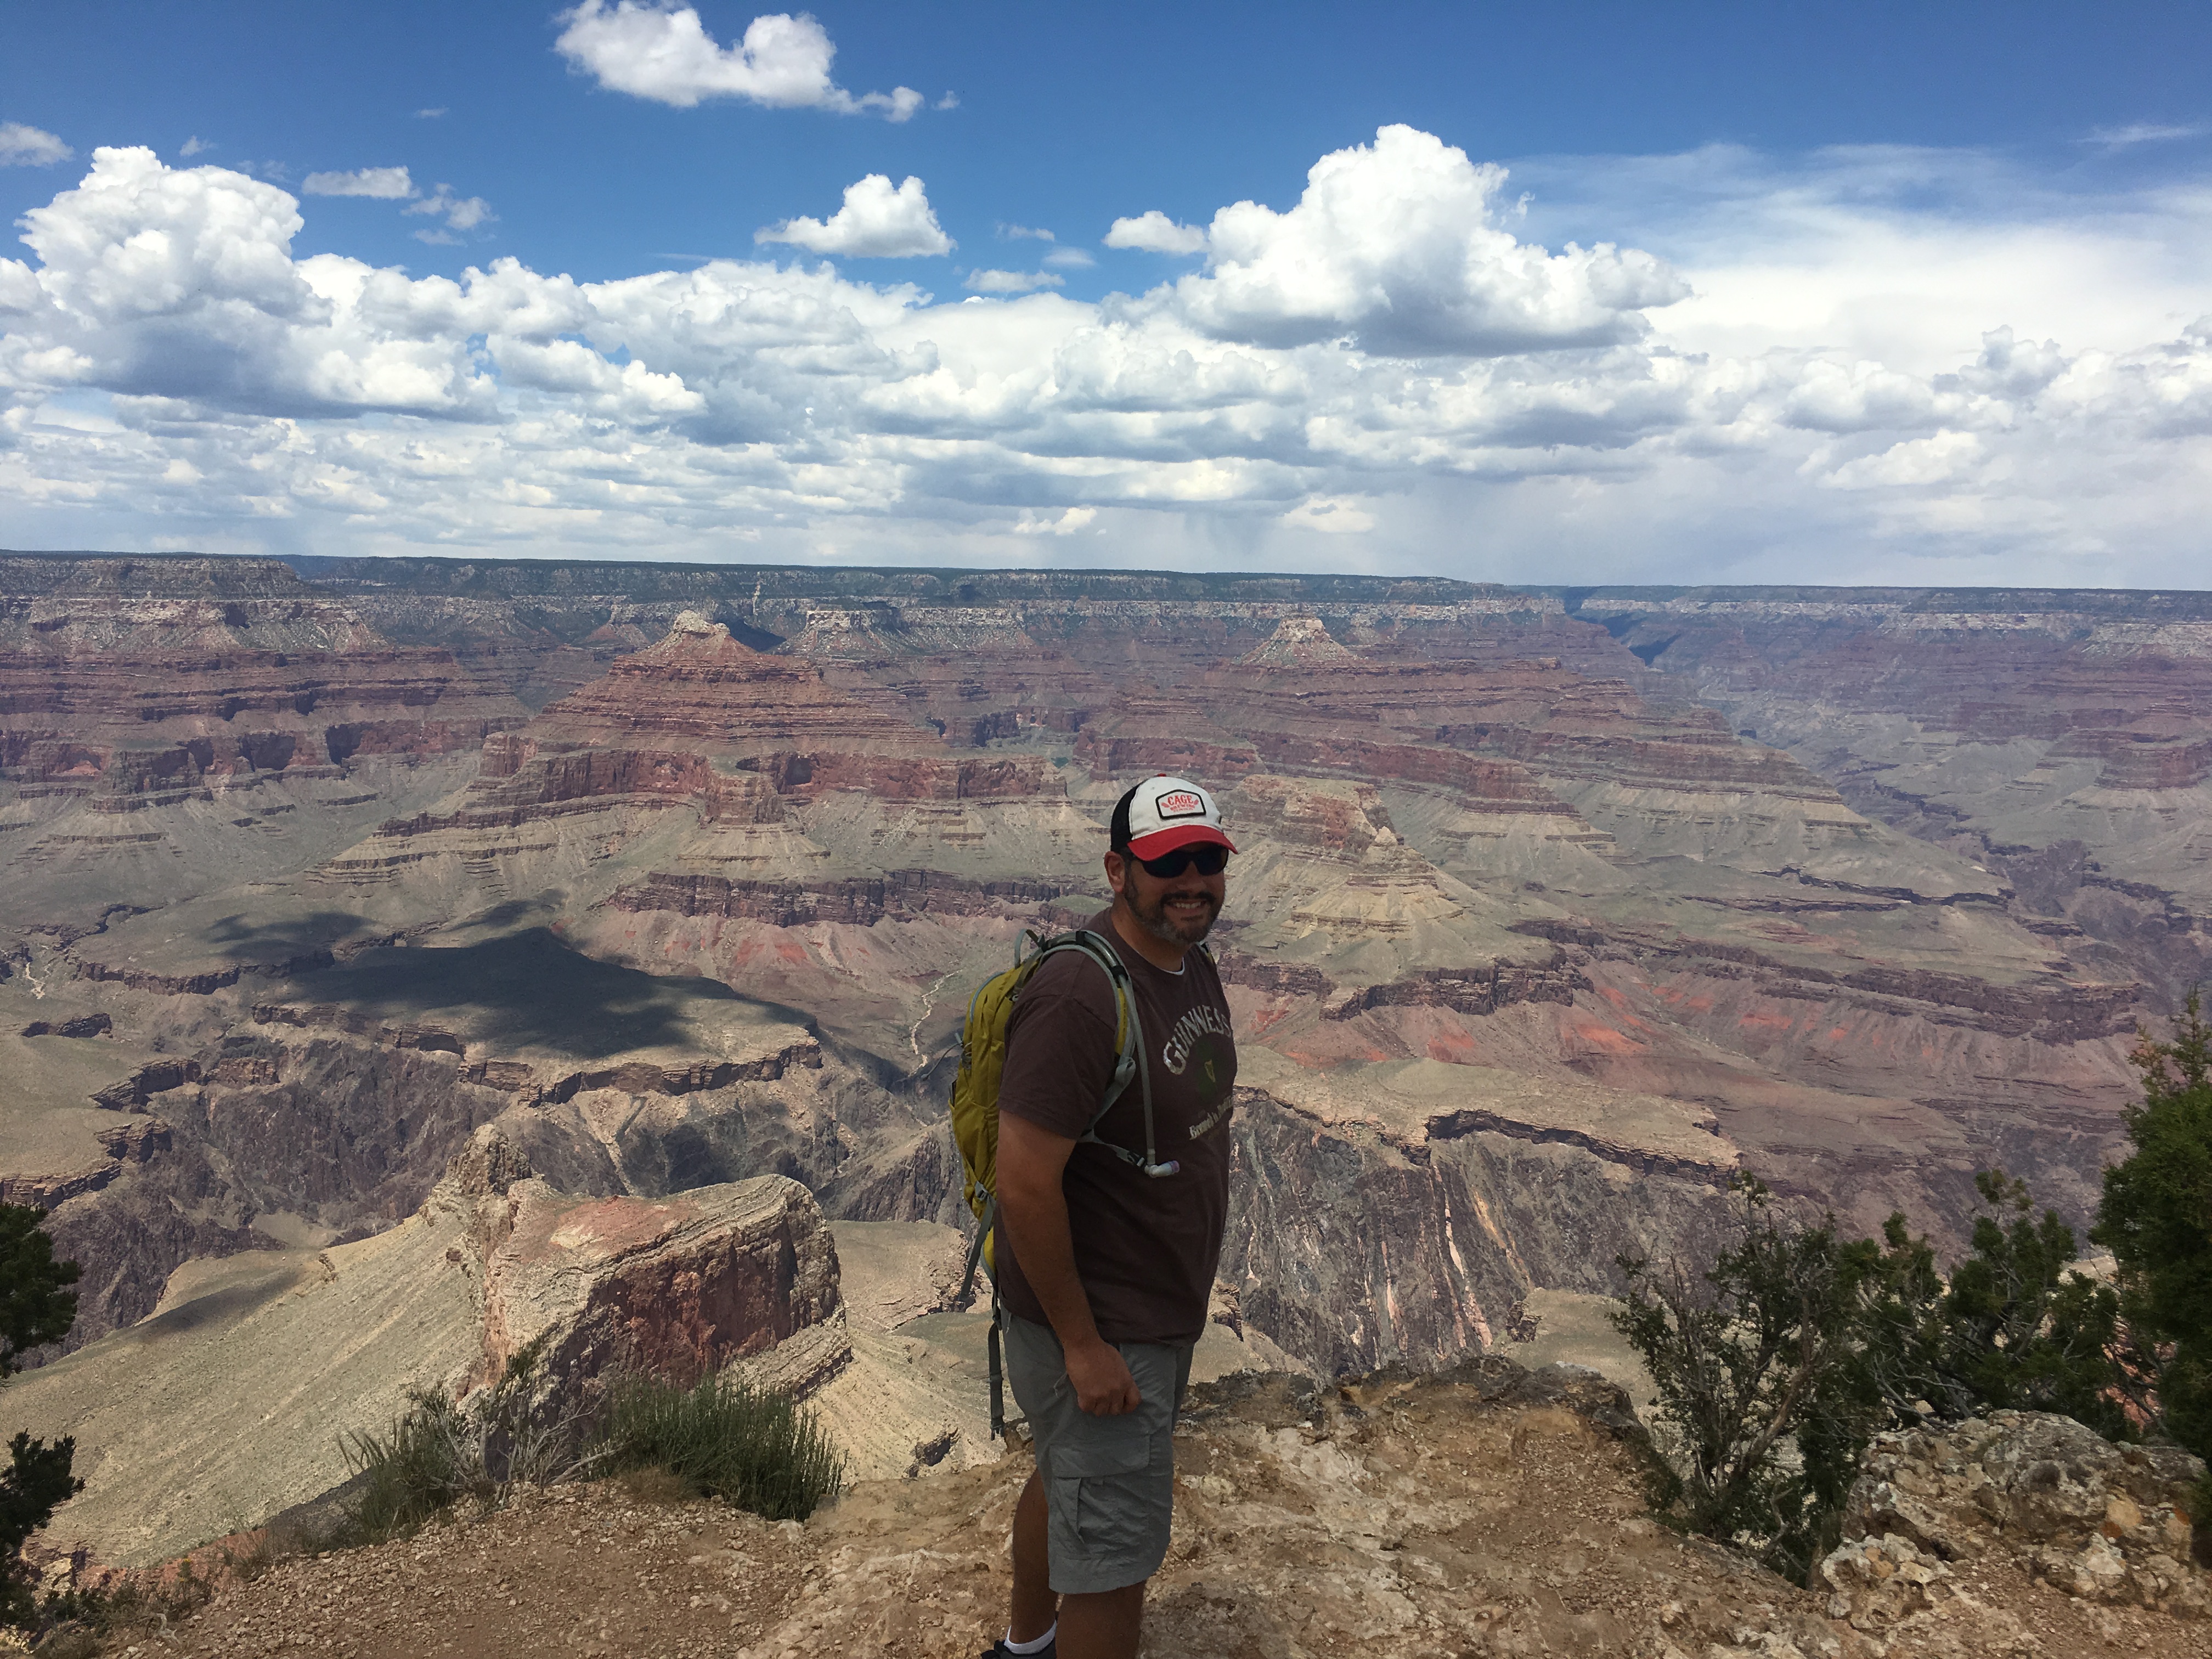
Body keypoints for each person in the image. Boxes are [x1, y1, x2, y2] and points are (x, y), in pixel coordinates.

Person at [981, 775, 1240, 1659]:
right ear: (1118, 870)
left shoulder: (1189, 962)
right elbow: (1024, 1184)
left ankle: (1026, 1648)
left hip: (1150, 1309)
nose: (1192, 881)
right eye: (1168, 863)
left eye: (1207, 859)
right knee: (1113, 1562)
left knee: (1071, 1481)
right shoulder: (1080, 997)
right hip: (1104, 1326)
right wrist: (1084, 1347)